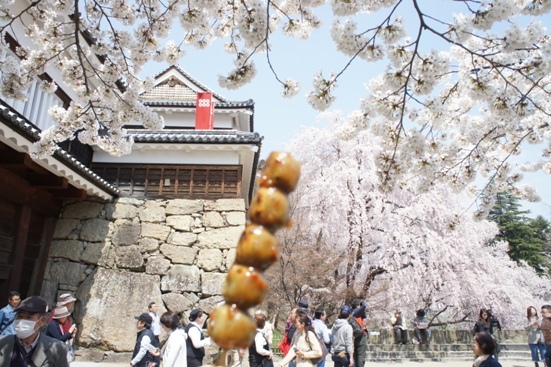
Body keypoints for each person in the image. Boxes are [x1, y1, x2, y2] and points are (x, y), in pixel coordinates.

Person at [0, 295, 69, 367]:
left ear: (42, 321)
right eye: (19, 317)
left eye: (29, 317)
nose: (22, 321)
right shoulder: (2, 342)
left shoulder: (57, 348)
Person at [349, 300, 367, 367]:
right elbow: (364, 305)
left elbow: (365, 316)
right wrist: (362, 301)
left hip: (355, 335)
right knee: (361, 354)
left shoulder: (351, 312)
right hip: (361, 334)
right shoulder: (357, 311)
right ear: (357, 305)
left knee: (356, 353)